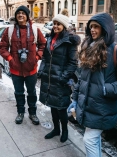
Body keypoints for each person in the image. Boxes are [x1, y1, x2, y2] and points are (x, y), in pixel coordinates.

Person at [67, 13, 117, 157]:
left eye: (96, 26)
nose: (92, 30)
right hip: (88, 105)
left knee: (89, 139)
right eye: (91, 26)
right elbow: (82, 79)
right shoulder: (88, 48)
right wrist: (74, 99)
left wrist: (105, 89)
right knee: (93, 139)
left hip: (102, 107)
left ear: (106, 29)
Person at [0, 5, 46, 125]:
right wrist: (10, 59)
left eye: (23, 13)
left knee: (32, 93)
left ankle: (32, 113)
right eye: (18, 13)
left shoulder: (35, 30)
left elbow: (43, 45)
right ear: (16, 16)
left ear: (27, 16)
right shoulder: (9, 30)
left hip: (31, 69)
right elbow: (2, 47)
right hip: (16, 69)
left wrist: (37, 57)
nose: (20, 15)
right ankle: (20, 113)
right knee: (19, 93)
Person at [38, 14, 80, 142]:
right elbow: (45, 57)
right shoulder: (50, 38)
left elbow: (73, 63)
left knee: (61, 108)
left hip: (60, 80)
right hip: (49, 78)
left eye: (58, 24)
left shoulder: (69, 41)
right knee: (52, 106)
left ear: (64, 26)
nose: (55, 26)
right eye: (54, 23)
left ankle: (65, 131)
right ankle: (56, 129)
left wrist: (63, 78)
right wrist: (42, 70)